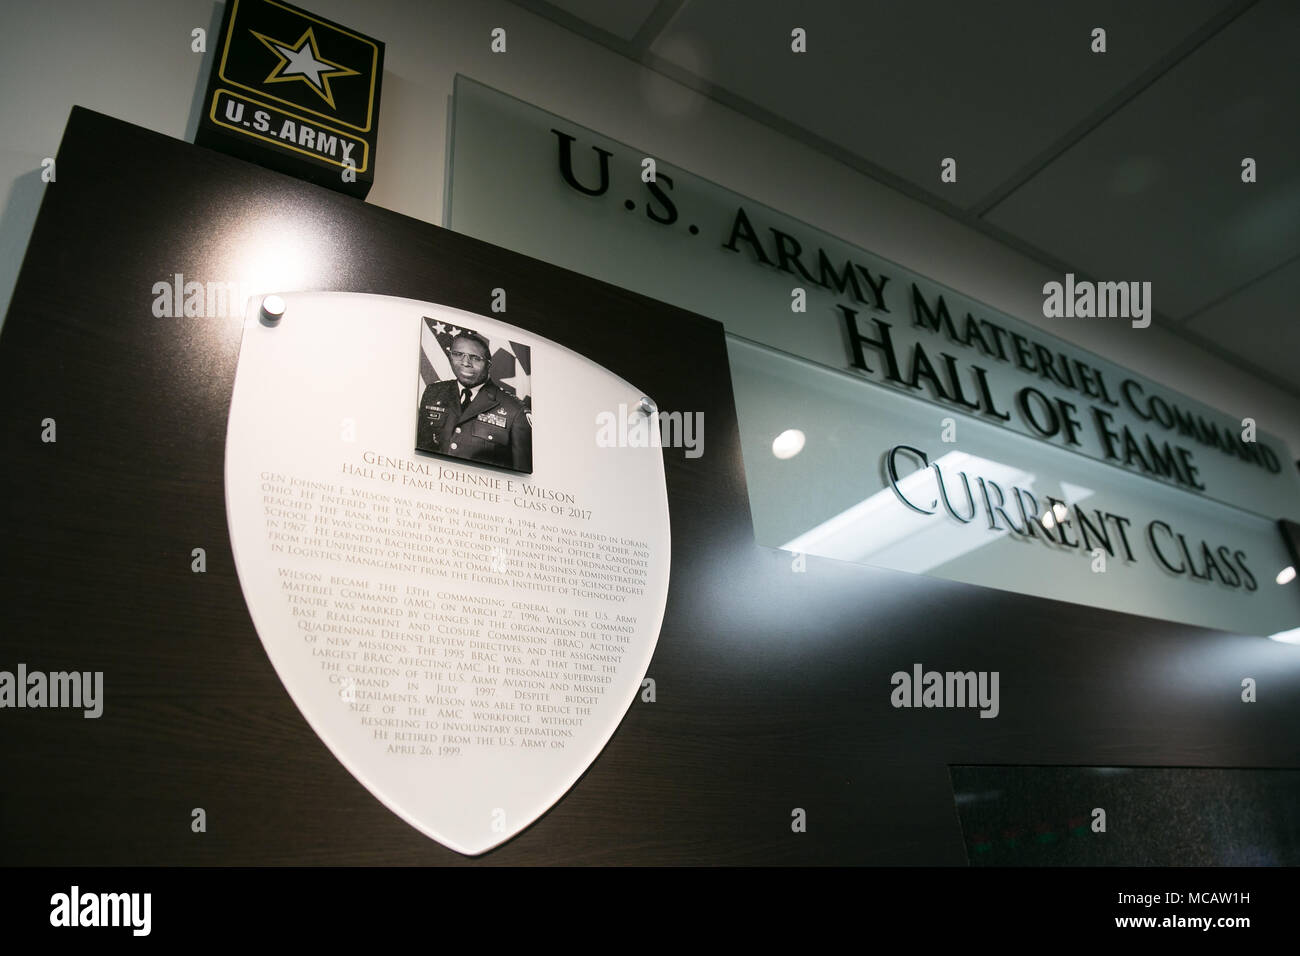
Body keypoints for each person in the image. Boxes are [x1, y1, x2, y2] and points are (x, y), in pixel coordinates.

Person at [416, 331, 532, 472]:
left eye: (475, 358)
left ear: (489, 365)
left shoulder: (515, 410)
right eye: (458, 354)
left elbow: (521, 473)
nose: (465, 363)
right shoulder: (434, 392)